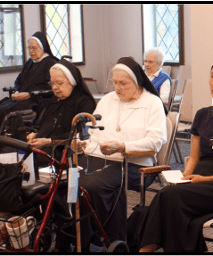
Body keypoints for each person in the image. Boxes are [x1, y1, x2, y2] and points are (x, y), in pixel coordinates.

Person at [127, 56, 213, 252]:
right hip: (197, 182)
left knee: (165, 199)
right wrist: (184, 177)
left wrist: (206, 180)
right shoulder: (202, 114)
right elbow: (194, 158)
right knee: (170, 199)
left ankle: (144, 250)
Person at [77, 56, 168, 249]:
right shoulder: (108, 99)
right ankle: (77, 237)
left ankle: (103, 239)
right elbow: (93, 131)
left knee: (92, 185)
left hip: (136, 165)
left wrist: (123, 147)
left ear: (136, 81)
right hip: (98, 159)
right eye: (115, 83)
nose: (117, 88)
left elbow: (155, 143)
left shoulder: (152, 103)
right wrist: (82, 143)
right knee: (69, 181)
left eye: (123, 83)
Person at [26, 59, 96, 170]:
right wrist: (34, 133)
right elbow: (43, 121)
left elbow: (82, 134)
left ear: (72, 82)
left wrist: (49, 141)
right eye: (52, 83)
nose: (54, 88)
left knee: (28, 159)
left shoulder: (84, 102)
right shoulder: (56, 98)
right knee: (12, 151)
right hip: (41, 145)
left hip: (62, 150)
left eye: (59, 83)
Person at [0, 31, 59, 132]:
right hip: (21, 98)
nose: (31, 51)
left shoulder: (50, 63)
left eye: (34, 48)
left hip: (36, 100)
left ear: (42, 48)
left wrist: (29, 95)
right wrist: (16, 92)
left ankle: (2, 141)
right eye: (29, 48)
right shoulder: (30, 62)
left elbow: (52, 89)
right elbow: (18, 80)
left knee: (2, 111)